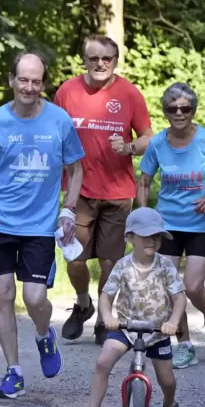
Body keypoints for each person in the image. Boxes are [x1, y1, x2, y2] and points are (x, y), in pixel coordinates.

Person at [0, 50, 85, 399]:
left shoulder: (59, 121)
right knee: (2, 295)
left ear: (43, 83)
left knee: (34, 299)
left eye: (36, 81)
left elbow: (76, 170)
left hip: (40, 227)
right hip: (0, 224)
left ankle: (45, 335)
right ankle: (13, 371)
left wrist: (69, 211)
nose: (29, 87)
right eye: (23, 80)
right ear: (11, 81)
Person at [54, 35, 154, 346]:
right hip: (78, 191)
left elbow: (148, 136)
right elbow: (53, 135)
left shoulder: (128, 93)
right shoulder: (67, 91)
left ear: (115, 60)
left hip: (118, 192)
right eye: (94, 58)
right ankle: (83, 303)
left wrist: (129, 147)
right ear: (84, 59)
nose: (101, 64)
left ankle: (104, 318)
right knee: (75, 259)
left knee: (110, 262)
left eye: (107, 58)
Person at [137, 82, 205, 369]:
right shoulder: (157, 143)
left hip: (200, 224)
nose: (179, 113)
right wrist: (144, 216)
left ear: (193, 110)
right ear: (166, 112)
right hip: (167, 224)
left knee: (193, 287)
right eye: (173, 109)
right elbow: (144, 180)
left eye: (185, 108)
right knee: (170, 286)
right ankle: (183, 344)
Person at [72, 207, 187, 407]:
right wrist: (107, 318)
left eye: (157, 236)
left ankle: (170, 405)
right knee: (103, 362)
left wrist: (173, 322)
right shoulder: (123, 266)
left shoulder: (165, 266)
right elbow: (106, 296)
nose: (152, 241)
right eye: (146, 236)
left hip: (157, 331)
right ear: (130, 237)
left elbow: (179, 297)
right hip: (126, 328)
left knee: (167, 380)